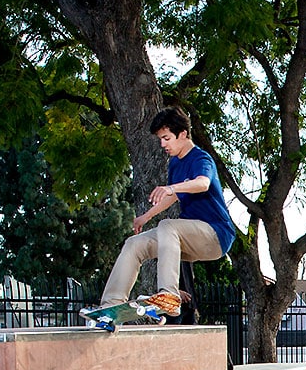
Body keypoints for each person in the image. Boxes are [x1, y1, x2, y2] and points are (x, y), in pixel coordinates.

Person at [87, 107, 236, 320]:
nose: (163, 144)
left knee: (167, 226)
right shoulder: (175, 163)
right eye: (160, 139)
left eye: (166, 138)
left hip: (216, 235)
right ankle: (111, 306)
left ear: (183, 134)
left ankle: (169, 295)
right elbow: (171, 197)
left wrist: (172, 188)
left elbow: (202, 183)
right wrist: (145, 217)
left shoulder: (201, 159)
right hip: (187, 237)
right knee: (134, 244)